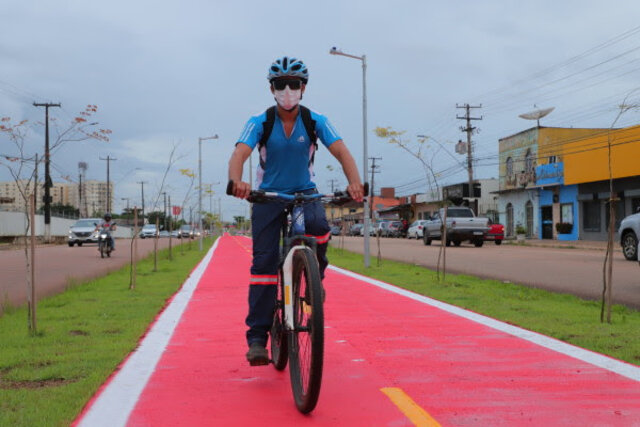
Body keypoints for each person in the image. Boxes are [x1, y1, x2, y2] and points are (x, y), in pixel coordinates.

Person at [228, 56, 365, 365]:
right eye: (280, 84)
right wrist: (237, 181)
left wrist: (355, 183)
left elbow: (342, 152)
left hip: (304, 193)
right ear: (271, 88)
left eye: (293, 84)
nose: (287, 90)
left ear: (303, 88)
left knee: (318, 225)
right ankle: (257, 339)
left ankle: (317, 272)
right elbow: (240, 153)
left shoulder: (315, 120)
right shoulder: (259, 121)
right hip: (268, 196)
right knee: (263, 265)